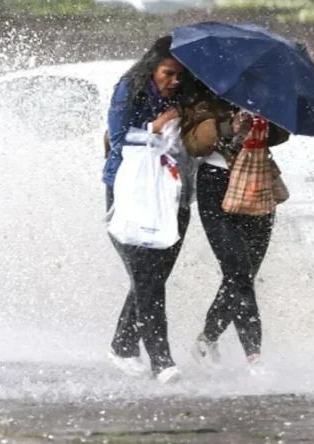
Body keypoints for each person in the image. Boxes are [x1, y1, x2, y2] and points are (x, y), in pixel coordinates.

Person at [103, 35, 195, 385]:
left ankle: (123, 346)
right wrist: (154, 127)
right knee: (146, 276)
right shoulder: (130, 88)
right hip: (132, 191)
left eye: (180, 76)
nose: (174, 81)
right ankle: (162, 360)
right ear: (152, 68)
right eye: (168, 73)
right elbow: (116, 137)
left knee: (154, 277)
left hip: (174, 193)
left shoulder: (187, 97)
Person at [179, 78, 289, 372]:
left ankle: (207, 337)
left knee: (246, 273)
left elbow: (283, 133)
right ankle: (254, 356)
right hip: (215, 185)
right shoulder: (201, 90)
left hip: (257, 179)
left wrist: (265, 121)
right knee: (237, 271)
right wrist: (230, 126)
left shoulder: (265, 90)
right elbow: (194, 143)